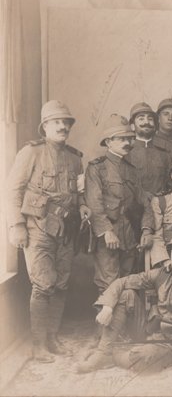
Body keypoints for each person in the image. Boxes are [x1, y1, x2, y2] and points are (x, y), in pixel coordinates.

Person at [77, 229, 172, 373]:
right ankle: (103, 353)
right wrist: (108, 307)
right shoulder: (162, 274)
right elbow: (122, 282)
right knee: (126, 295)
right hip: (152, 331)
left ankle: (113, 356)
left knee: (141, 359)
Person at [7, 100, 91, 362]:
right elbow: (12, 190)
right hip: (38, 228)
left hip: (66, 230)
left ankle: (52, 337)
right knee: (43, 284)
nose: (63, 126)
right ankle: (38, 344)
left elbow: (78, 193)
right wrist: (17, 225)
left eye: (66, 122)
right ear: (44, 126)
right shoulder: (30, 153)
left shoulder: (75, 159)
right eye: (57, 122)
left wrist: (84, 206)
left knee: (61, 284)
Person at [84, 115, 151, 294]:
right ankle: (105, 314)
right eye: (121, 139)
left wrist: (146, 230)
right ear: (108, 142)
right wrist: (107, 231)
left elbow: (145, 203)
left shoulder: (132, 170)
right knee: (109, 285)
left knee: (128, 284)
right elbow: (94, 204)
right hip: (108, 235)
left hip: (130, 234)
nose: (127, 142)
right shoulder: (97, 168)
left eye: (129, 138)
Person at [125, 102, 172, 195]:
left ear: (155, 126)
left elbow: (171, 184)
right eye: (141, 118)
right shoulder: (125, 154)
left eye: (150, 119)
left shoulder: (165, 155)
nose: (146, 122)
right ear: (132, 126)